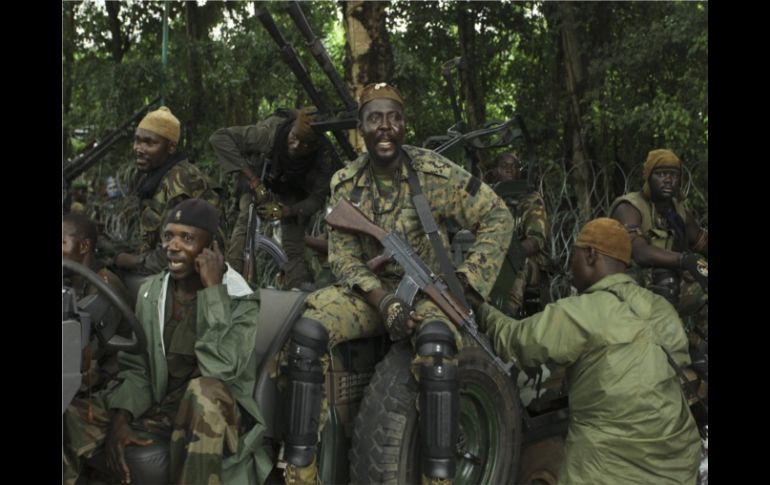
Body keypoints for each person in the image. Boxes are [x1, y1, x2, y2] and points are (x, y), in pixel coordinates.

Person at [281, 82, 513, 484]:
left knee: (436, 345)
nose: (385, 127)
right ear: (361, 128)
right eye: (375, 119)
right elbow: (343, 258)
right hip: (369, 291)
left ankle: (439, 477)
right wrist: (384, 301)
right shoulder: (346, 182)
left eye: (394, 118)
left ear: (404, 125)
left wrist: (466, 283)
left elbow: (498, 216)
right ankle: (300, 470)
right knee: (307, 334)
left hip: (428, 293)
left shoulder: (433, 173)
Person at [477, 218, 702, 484]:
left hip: (608, 468)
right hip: (679, 463)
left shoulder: (581, 312)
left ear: (591, 255)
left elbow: (517, 342)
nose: (570, 267)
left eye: (574, 255)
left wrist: (480, 308)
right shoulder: (661, 308)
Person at [63, 198, 271, 485]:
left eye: (187, 238)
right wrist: (121, 420)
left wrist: (214, 291)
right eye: (168, 236)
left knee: (204, 391)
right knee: (67, 414)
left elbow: (220, 370)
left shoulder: (239, 298)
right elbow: (139, 368)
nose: (173, 246)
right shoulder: (153, 291)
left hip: (216, 413)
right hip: (161, 405)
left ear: (212, 248)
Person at [209, 107, 334, 289]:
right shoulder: (269, 133)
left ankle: (298, 292)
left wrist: (287, 211)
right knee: (246, 224)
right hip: (259, 177)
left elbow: (316, 199)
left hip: (292, 190)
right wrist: (254, 181)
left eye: (304, 145)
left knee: (294, 247)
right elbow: (219, 138)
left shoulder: (323, 157)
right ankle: (232, 284)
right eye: (294, 137)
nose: (296, 146)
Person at [114, 106, 221, 276]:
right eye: (137, 140)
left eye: (149, 143)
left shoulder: (177, 184)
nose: (138, 148)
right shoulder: (156, 175)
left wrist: (131, 261)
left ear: (171, 148)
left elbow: (173, 254)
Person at [609, 148, 707, 307]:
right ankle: (660, 322)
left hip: (667, 281)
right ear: (649, 177)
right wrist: (684, 260)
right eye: (661, 174)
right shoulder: (629, 207)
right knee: (666, 278)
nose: (668, 180)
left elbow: (701, 242)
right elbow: (640, 253)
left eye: (674, 175)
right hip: (628, 285)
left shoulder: (679, 212)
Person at [63, 213, 131, 390]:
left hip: (104, 380)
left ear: (84, 246)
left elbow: (85, 352)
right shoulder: (70, 281)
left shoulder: (105, 288)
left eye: (62, 243)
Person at [489, 151, 549, 316]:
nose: (509, 169)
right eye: (504, 166)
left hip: (526, 260)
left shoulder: (531, 199)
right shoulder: (487, 199)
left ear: (519, 172)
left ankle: (505, 316)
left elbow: (536, 239)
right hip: (492, 255)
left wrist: (511, 253)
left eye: (514, 166)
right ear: (495, 171)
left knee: (516, 266)